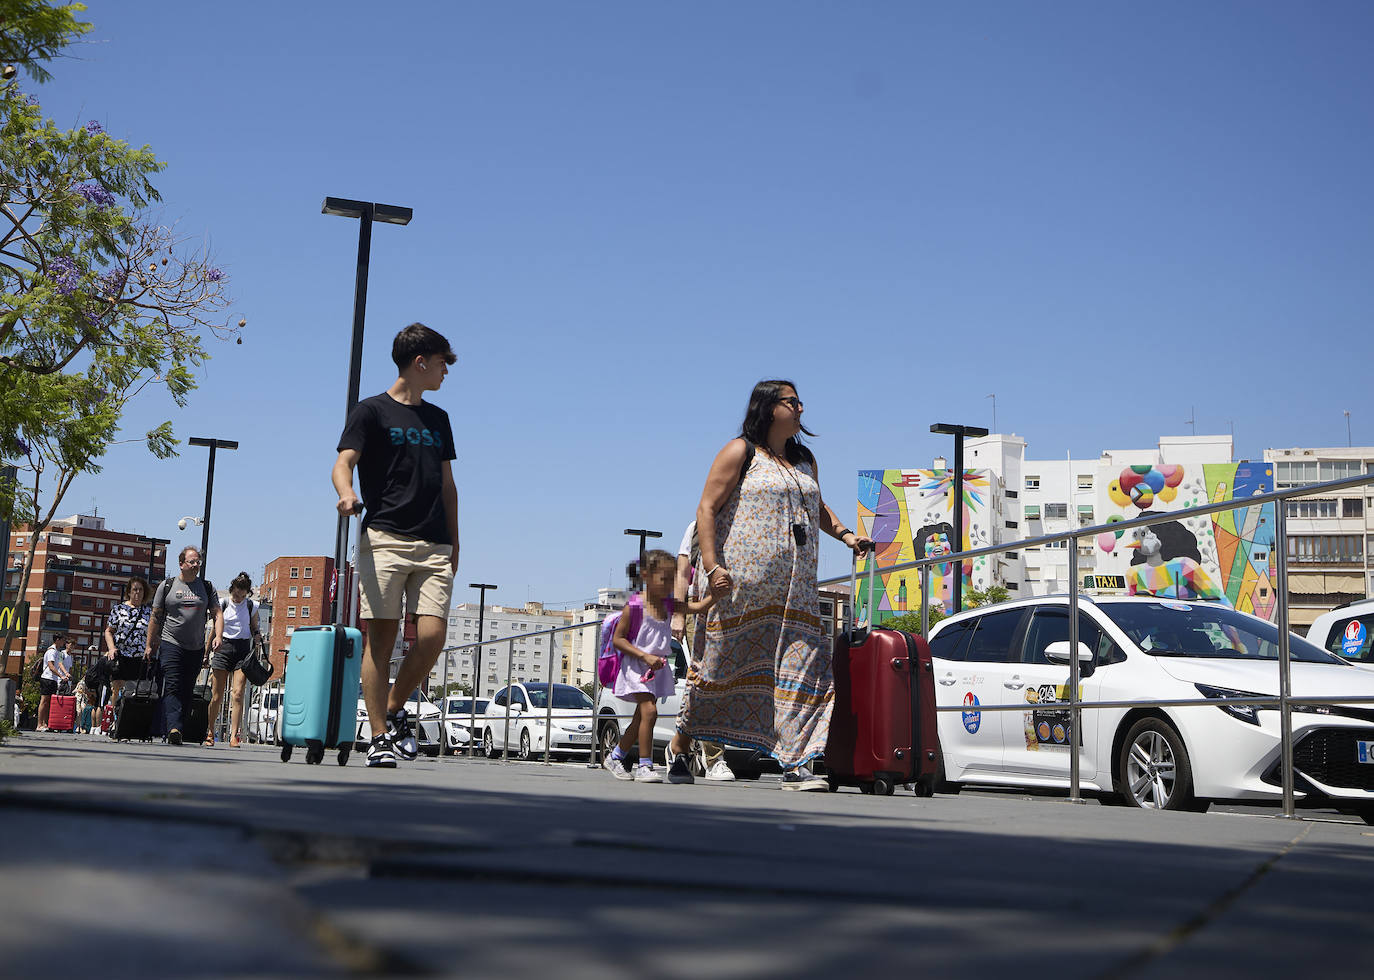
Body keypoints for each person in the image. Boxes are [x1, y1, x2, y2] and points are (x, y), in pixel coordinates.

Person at [677, 380, 870, 790]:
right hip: (740, 589)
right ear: (768, 408)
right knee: (718, 672)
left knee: (804, 672)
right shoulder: (739, 452)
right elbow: (706, 509)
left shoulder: (804, 460)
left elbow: (816, 508)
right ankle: (680, 746)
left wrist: (849, 536)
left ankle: (795, 765)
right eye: (792, 401)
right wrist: (712, 568)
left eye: (800, 402)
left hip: (796, 590)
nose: (801, 408)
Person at [332, 322, 460, 769]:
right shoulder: (371, 412)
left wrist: (455, 543)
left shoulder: (438, 419)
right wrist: (346, 494)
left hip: (434, 544)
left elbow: (448, 486)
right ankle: (380, 736)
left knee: (432, 636)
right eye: (442, 362)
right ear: (419, 362)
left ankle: (392, 705)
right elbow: (343, 462)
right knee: (380, 643)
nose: (447, 371)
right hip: (384, 538)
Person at [604, 550, 715, 782]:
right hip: (637, 666)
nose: (667, 585)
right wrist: (644, 656)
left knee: (640, 718)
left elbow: (697, 608)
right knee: (650, 712)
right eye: (662, 579)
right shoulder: (635, 606)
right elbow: (618, 639)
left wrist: (716, 595)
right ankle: (645, 765)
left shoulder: (669, 604)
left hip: (655, 668)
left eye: (671, 579)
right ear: (646, 575)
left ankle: (616, 756)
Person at [664, 520, 734, 783]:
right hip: (703, 612)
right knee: (706, 682)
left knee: (725, 685)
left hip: (738, 613)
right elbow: (683, 570)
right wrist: (679, 615)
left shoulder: (747, 523)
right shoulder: (698, 526)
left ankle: (679, 745)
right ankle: (714, 758)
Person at [146, 546, 221, 746]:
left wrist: (218, 636)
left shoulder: (206, 587)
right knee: (172, 685)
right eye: (192, 562)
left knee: (187, 689)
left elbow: (217, 613)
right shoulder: (167, 586)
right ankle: (174, 728)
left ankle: (177, 725)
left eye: (198, 562)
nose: (196, 565)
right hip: (171, 642)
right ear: (181, 564)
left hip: (195, 647)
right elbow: (155, 616)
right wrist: (149, 644)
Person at [203, 572, 263, 747]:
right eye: (236, 594)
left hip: (242, 651)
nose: (238, 598)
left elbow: (254, 627)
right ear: (232, 590)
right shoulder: (223, 603)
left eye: (242, 595)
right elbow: (214, 631)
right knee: (217, 695)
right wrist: (206, 654)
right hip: (222, 648)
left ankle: (234, 735)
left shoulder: (252, 606)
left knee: (237, 694)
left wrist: (257, 636)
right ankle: (209, 731)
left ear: (247, 594)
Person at [104, 577, 153, 705]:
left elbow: (154, 634)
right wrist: (111, 648)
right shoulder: (118, 609)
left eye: (141, 590)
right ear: (129, 592)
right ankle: (113, 716)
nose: (138, 593)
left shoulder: (149, 612)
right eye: (135, 589)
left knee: (136, 691)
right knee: (117, 687)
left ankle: (129, 719)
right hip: (121, 656)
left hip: (139, 658)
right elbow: (109, 631)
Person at [35, 634, 72, 732]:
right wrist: (61, 676)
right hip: (47, 678)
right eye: (63, 640)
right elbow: (51, 666)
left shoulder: (57, 652)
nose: (64, 642)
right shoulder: (51, 651)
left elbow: (59, 663)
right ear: (57, 640)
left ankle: (45, 724)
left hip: (53, 679)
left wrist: (65, 674)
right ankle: (39, 724)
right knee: (44, 701)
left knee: (49, 703)